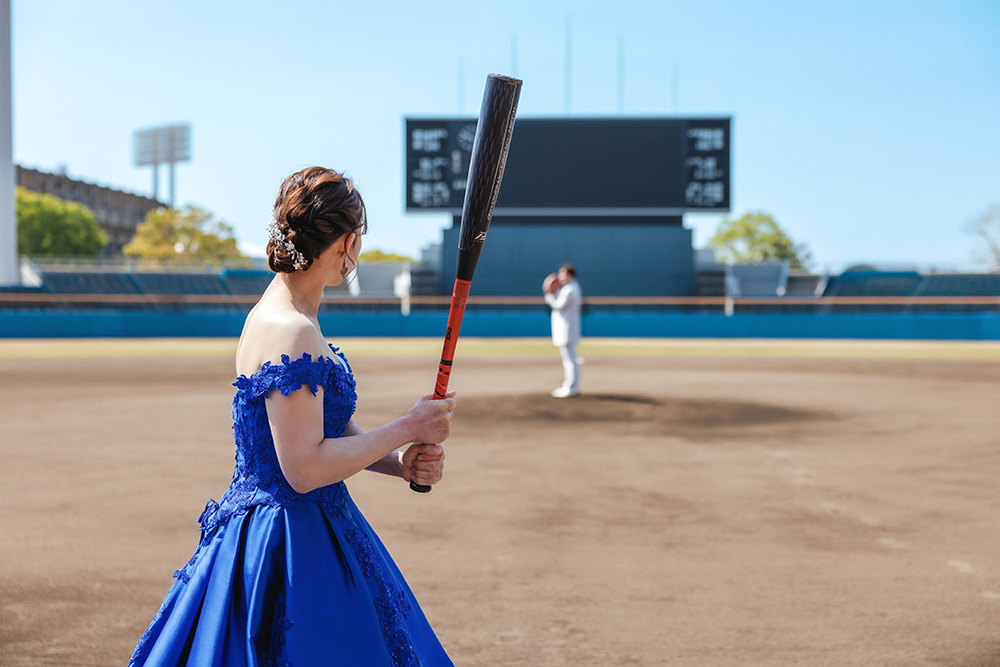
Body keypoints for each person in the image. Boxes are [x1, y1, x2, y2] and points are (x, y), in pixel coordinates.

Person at [128, 167, 456, 666]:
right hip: (291, 540)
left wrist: (398, 462)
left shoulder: (286, 313)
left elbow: (320, 427)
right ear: (347, 242)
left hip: (278, 525)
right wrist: (410, 427)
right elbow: (303, 468)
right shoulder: (292, 330)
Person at [543, 262, 582, 398]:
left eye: (563, 274)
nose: (560, 277)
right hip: (567, 328)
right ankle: (572, 386)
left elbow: (558, 305)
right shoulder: (569, 288)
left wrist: (548, 295)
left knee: (569, 360)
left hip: (567, 329)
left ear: (570, 275)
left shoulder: (570, 289)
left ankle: (571, 387)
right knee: (570, 359)